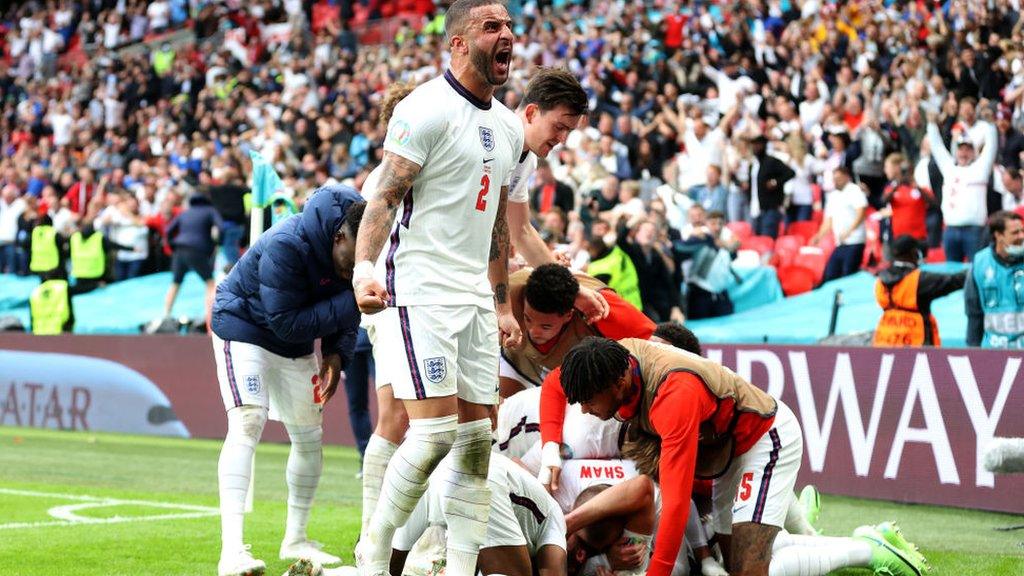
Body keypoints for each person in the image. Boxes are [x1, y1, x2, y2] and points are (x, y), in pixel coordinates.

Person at [352, 3, 524, 576]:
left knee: (478, 443)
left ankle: (460, 567)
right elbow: (384, 195)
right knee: (432, 434)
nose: (506, 36)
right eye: (491, 27)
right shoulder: (422, 108)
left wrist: (499, 302)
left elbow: (497, 221)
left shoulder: (507, 127)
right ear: (457, 43)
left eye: (508, 27)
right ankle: (374, 548)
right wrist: (364, 269)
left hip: (474, 296)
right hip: (420, 288)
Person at [557, 337, 927, 576]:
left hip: (765, 440)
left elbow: (674, 499)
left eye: (589, 400)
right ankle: (831, 534)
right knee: (733, 559)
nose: (586, 410)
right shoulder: (612, 358)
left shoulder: (674, 396)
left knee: (750, 571)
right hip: (727, 451)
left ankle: (869, 551)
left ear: (618, 383)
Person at [209, 186, 366, 576]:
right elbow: (286, 320)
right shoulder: (286, 243)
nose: (356, 267)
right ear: (338, 236)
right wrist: (355, 300)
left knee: (310, 436)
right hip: (243, 329)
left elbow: (345, 304)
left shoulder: (352, 249)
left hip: (292, 344)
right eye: (353, 257)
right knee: (247, 422)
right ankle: (232, 552)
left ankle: (296, 538)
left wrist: (335, 352)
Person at [388, 453, 567, 576]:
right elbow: (553, 570)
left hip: (435, 471)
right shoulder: (553, 520)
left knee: (384, 561)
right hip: (480, 481)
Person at [499, 263, 655, 397]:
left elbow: (658, 344)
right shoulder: (507, 291)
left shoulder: (603, 309)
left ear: (569, 314)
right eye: (527, 319)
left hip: (583, 378)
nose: (533, 331)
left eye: (545, 326)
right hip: (518, 361)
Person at [925, 111, 998, 263]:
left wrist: (991, 126)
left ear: (974, 152)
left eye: (968, 149)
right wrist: (932, 125)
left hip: (975, 231)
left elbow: (991, 147)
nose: (964, 153)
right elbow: (937, 147)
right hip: (950, 229)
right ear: (956, 151)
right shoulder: (949, 167)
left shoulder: (981, 168)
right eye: (961, 149)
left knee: (975, 269)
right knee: (952, 272)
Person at [873, 235, 967, 347]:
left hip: (885, 340)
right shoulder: (919, 280)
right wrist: (979, 268)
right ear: (913, 253)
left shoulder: (880, 279)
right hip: (916, 342)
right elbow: (954, 281)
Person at [161, 192, 223, 324]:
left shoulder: (185, 212)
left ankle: (166, 314)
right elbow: (221, 228)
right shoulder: (210, 211)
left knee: (175, 282)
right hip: (197, 250)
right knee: (210, 283)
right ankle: (210, 317)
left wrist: (172, 246)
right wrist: (217, 243)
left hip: (179, 249)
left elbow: (168, 230)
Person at [965, 211, 1024, 348]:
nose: (1021, 236)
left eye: (1022, 231)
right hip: (994, 352)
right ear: (998, 235)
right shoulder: (980, 263)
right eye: (1015, 233)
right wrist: (972, 351)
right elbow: (974, 312)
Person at [810, 167, 867, 283]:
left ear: (847, 177)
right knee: (830, 274)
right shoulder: (832, 196)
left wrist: (850, 231)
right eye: (834, 179)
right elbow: (828, 220)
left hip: (854, 241)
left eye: (839, 178)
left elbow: (861, 212)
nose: (836, 181)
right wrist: (818, 236)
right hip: (840, 242)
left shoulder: (854, 190)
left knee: (848, 274)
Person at [749, 134, 795, 239]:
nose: (755, 148)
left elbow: (790, 173)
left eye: (758, 145)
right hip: (755, 208)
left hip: (770, 208)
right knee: (757, 239)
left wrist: (775, 182)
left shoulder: (772, 161)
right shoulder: (753, 165)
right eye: (753, 145)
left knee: (767, 239)